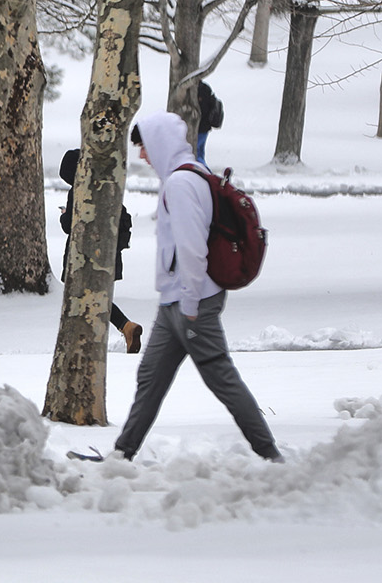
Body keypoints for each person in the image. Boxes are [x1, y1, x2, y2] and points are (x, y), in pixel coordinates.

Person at [107, 112, 280, 463]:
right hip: (176, 303)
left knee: (221, 377)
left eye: (143, 147)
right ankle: (121, 456)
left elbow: (191, 248)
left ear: (159, 143)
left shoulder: (181, 184)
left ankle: (270, 453)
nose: (142, 155)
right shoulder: (190, 176)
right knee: (150, 378)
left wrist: (189, 303)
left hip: (192, 303)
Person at [57, 149, 143, 354]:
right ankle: (124, 328)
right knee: (97, 298)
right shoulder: (108, 185)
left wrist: (64, 215)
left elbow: (69, 225)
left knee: (84, 298)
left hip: (85, 256)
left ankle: (104, 335)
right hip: (109, 253)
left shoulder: (78, 189)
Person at [193, 79, 224, 164]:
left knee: (196, 152)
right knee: (199, 152)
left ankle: (203, 171)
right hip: (204, 127)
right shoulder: (205, 88)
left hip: (200, 127)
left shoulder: (199, 90)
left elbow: (203, 109)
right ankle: (203, 170)